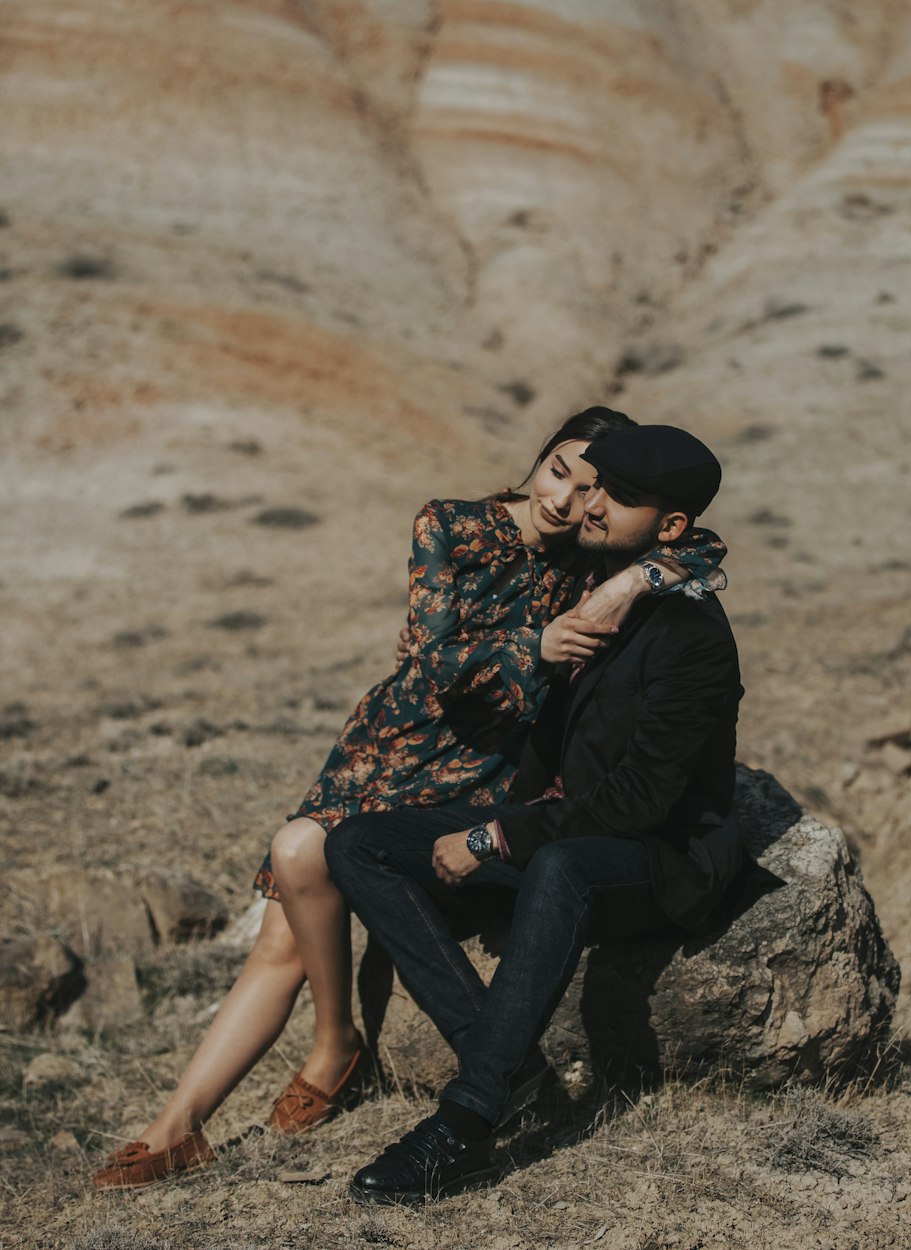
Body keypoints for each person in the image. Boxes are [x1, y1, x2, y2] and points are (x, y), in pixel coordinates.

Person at [92, 409, 727, 1189]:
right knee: (296, 887)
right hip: (398, 749)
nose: (572, 500)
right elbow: (428, 665)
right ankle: (237, 1095)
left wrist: (633, 577)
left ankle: (278, 1081)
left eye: (596, 487)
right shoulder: (454, 526)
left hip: (487, 771)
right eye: (561, 471)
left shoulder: (595, 555)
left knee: (306, 865)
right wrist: (536, 645)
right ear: (540, 457)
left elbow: (697, 546)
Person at [327, 422, 749, 1206]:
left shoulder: (691, 635)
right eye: (592, 486)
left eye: (618, 497)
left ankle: (464, 1123)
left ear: (670, 526)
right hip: (570, 824)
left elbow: (638, 804)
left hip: (658, 857)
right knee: (360, 843)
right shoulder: (595, 574)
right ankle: (514, 1070)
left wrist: (496, 835)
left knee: (559, 863)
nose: (591, 506)